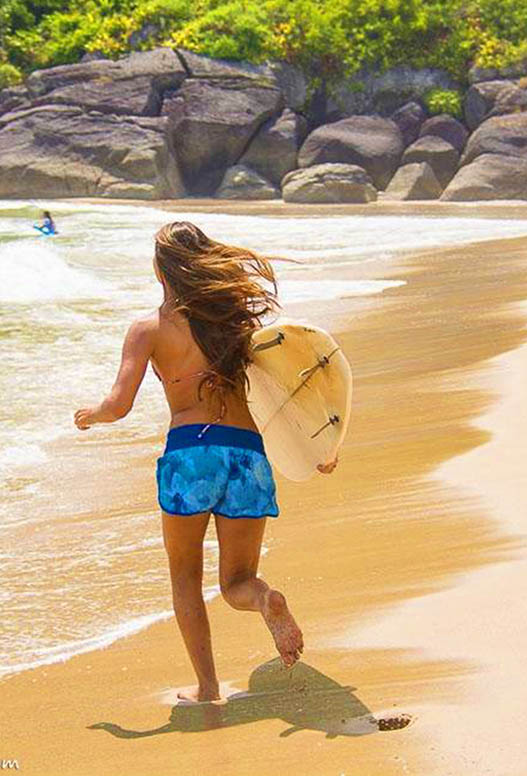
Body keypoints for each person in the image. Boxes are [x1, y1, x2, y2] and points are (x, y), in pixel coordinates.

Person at [73, 221, 337, 703]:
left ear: (160, 272)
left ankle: (208, 686)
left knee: (185, 580)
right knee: (237, 580)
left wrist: (91, 417)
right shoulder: (240, 328)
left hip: (191, 455)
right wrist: (320, 447)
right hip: (247, 455)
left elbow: (119, 404)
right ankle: (264, 599)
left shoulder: (149, 329)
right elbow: (288, 392)